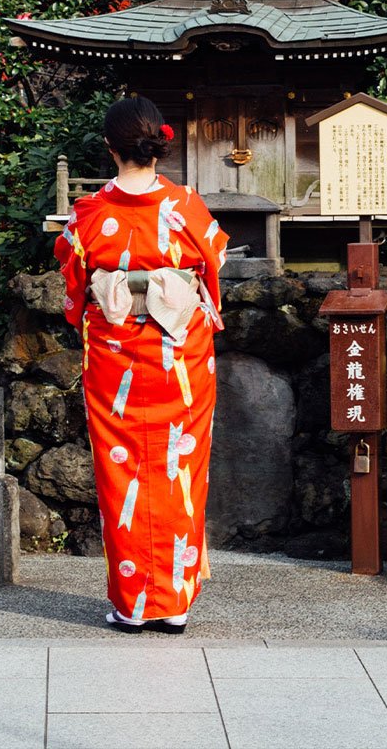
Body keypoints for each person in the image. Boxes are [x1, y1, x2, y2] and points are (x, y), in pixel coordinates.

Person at [54, 96, 229, 633]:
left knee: (121, 468)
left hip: (113, 355)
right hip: (180, 354)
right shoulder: (188, 207)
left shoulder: (88, 214)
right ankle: (174, 601)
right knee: (180, 468)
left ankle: (132, 602)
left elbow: (74, 288)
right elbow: (214, 268)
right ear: (159, 145)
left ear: (110, 148)